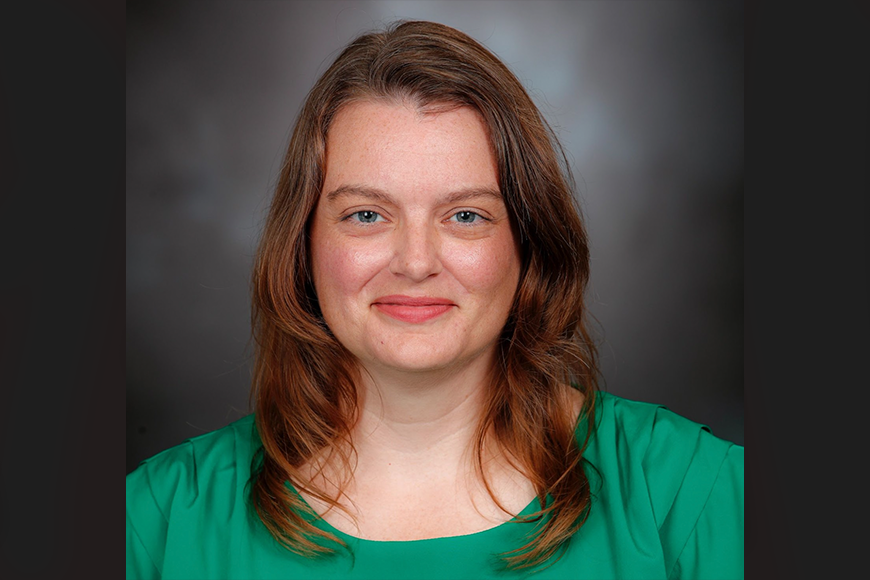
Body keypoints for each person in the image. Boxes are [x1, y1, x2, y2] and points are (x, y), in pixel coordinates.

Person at [126, 20, 743, 579]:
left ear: (527, 242)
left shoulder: (693, 497)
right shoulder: (154, 525)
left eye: (466, 215)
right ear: (304, 243)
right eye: (366, 214)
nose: (415, 262)